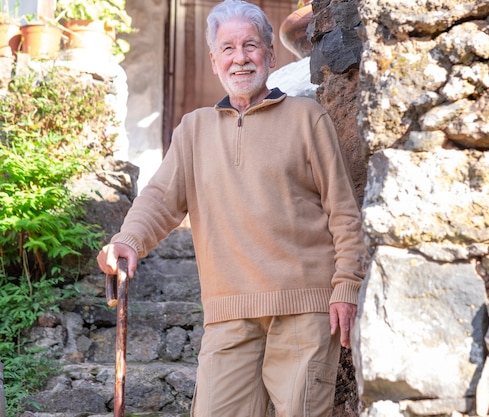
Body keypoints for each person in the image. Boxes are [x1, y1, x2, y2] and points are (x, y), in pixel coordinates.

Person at [97, 0, 367, 416]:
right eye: (227, 48)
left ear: (270, 54)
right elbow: (158, 199)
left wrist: (346, 286)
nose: (240, 58)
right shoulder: (193, 129)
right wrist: (127, 240)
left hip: (305, 310)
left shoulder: (307, 118)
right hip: (228, 316)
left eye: (250, 45)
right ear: (213, 60)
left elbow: (344, 211)